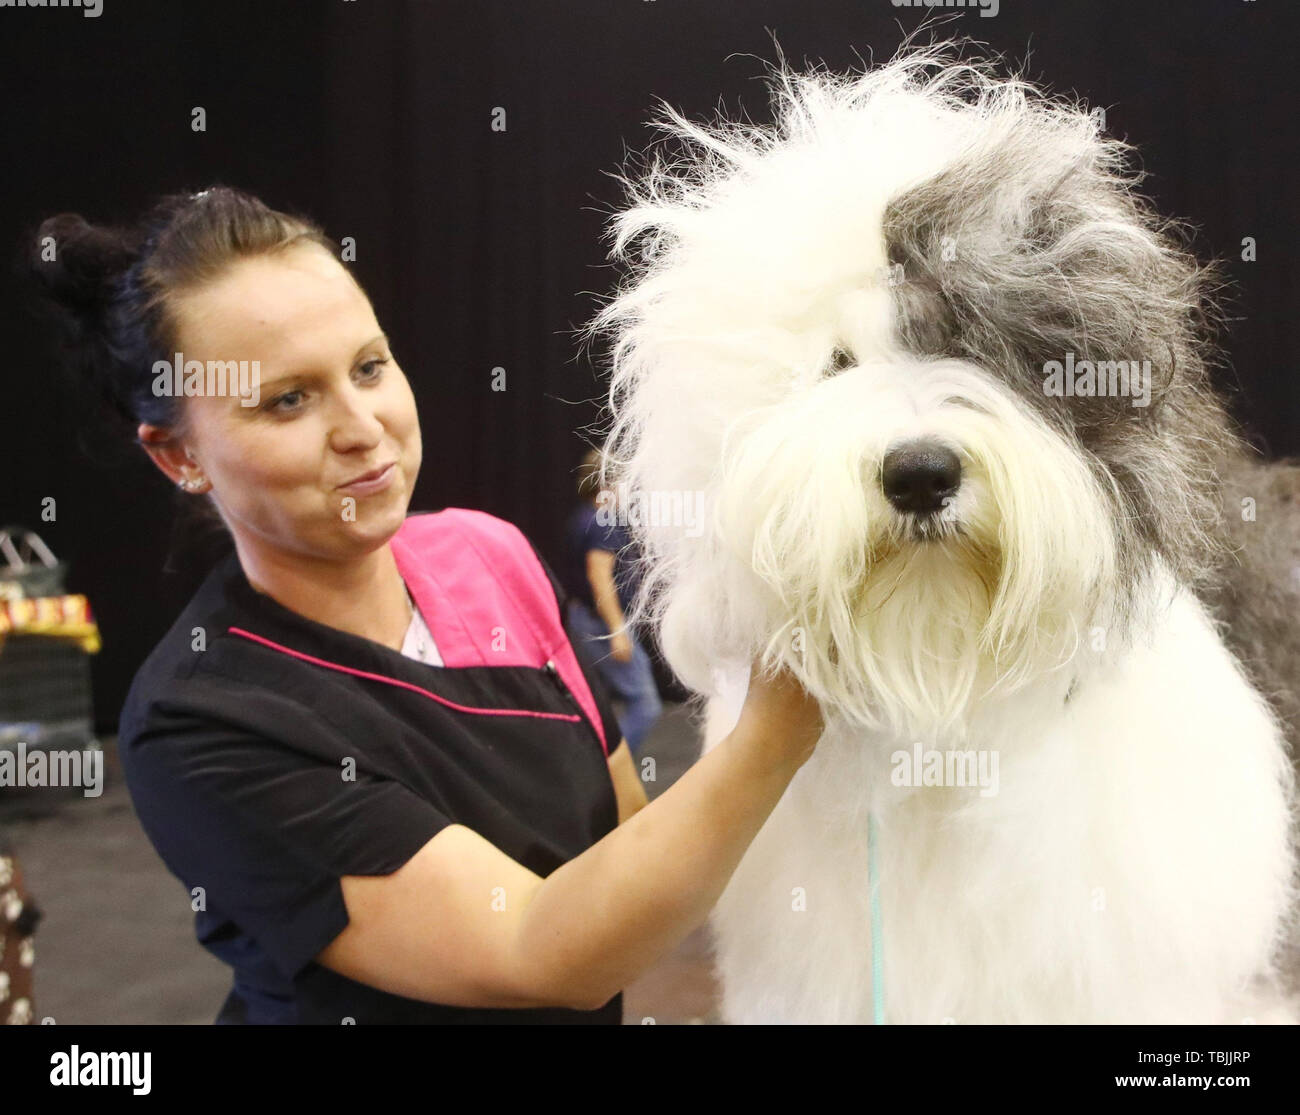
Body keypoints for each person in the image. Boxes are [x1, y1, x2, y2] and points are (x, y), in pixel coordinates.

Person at [26, 186, 824, 1025]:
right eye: (288, 400)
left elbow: (629, 846)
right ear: (180, 454)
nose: (361, 425)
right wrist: (781, 722)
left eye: (369, 367)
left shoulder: (487, 553)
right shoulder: (203, 718)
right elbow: (537, 950)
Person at [562, 448, 663, 756]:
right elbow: (599, 577)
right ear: (606, 485)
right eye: (622, 481)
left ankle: (592, 771)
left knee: (593, 703)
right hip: (599, 623)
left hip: (584, 620)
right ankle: (610, 774)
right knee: (645, 705)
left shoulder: (585, 517)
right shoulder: (602, 522)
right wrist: (617, 630)